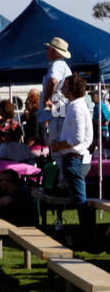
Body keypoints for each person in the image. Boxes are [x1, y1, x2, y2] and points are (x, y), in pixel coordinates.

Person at [49, 74, 94, 247]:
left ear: (72, 88)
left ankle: (89, 240)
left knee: (80, 202)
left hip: (74, 158)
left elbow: (77, 138)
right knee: (79, 200)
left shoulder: (76, 108)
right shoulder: (75, 106)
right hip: (75, 158)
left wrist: (59, 145)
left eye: (65, 85)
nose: (62, 88)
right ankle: (88, 238)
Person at [41, 37, 73, 147]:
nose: (46, 51)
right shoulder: (61, 65)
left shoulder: (57, 64)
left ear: (53, 51)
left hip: (58, 111)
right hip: (60, 110)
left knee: (56, 145)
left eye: (48, 49)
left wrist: (47, 99)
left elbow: (53, 81)